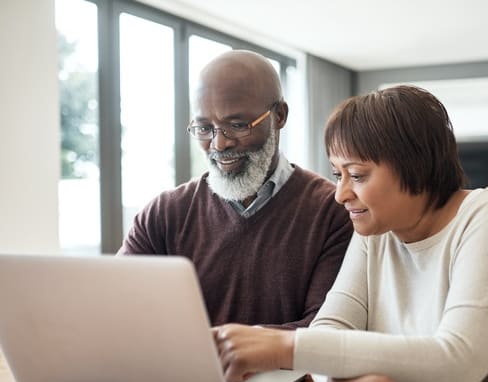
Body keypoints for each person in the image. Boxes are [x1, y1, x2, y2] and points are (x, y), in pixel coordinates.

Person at [211, 85, 488, 382]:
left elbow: (455, 362)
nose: (341, 194)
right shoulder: (375, 232)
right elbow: (330, 331)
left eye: (358, 175)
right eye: (337, 174)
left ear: (415, 164)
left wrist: (283, 346)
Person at [118, 50, 353, 329]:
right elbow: (119, 308)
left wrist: (213, 346)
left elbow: (324, 330)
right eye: (204, 128)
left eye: (237, 125)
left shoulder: (333, 212)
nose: (219, 144)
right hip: (177, 371)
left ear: (279, 116)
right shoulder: (163, 214)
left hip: (289, 374)